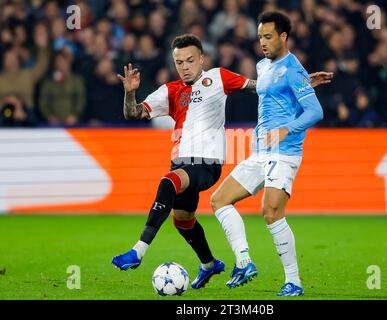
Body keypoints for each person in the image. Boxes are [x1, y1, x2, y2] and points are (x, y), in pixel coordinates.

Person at [111, 34, 332, 290]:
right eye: (179, 61)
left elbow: (260, 87)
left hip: (206, 164)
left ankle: (138, 251)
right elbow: (134, 113)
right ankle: (209, 264)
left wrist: (301, 85)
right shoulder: (170, 91)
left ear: (201, 58)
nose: (184, 66)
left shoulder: (218, 77)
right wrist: (130, 94)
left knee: (167, 182)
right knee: (182, 220)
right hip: (181, 163)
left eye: (190, 60)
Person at [210, 11, 325, 297]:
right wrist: (305, 83)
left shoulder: (293, 68)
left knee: (271, 211)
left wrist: (288, 127)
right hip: (260, 151)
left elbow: (315, 111)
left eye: (268, 36)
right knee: (219, 200)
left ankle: (294, 281)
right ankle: (245, 263)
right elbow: (278, 91)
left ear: (283, 36)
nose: (262, 41)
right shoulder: (264, 66)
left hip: (284, 151)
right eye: (260, 36)